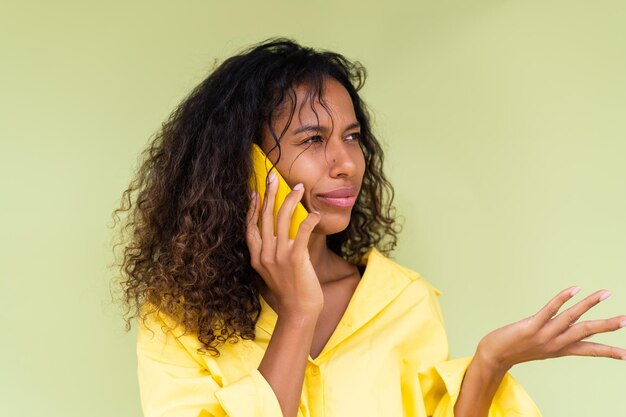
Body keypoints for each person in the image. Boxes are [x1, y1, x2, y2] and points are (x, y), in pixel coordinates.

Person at [111, 37, 626, 417]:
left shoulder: (402, 300)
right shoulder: (176, 319)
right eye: (313, 140)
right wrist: (298, 314)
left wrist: (491, 362)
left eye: (352, 136)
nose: (347, 164)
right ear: (241, 164)